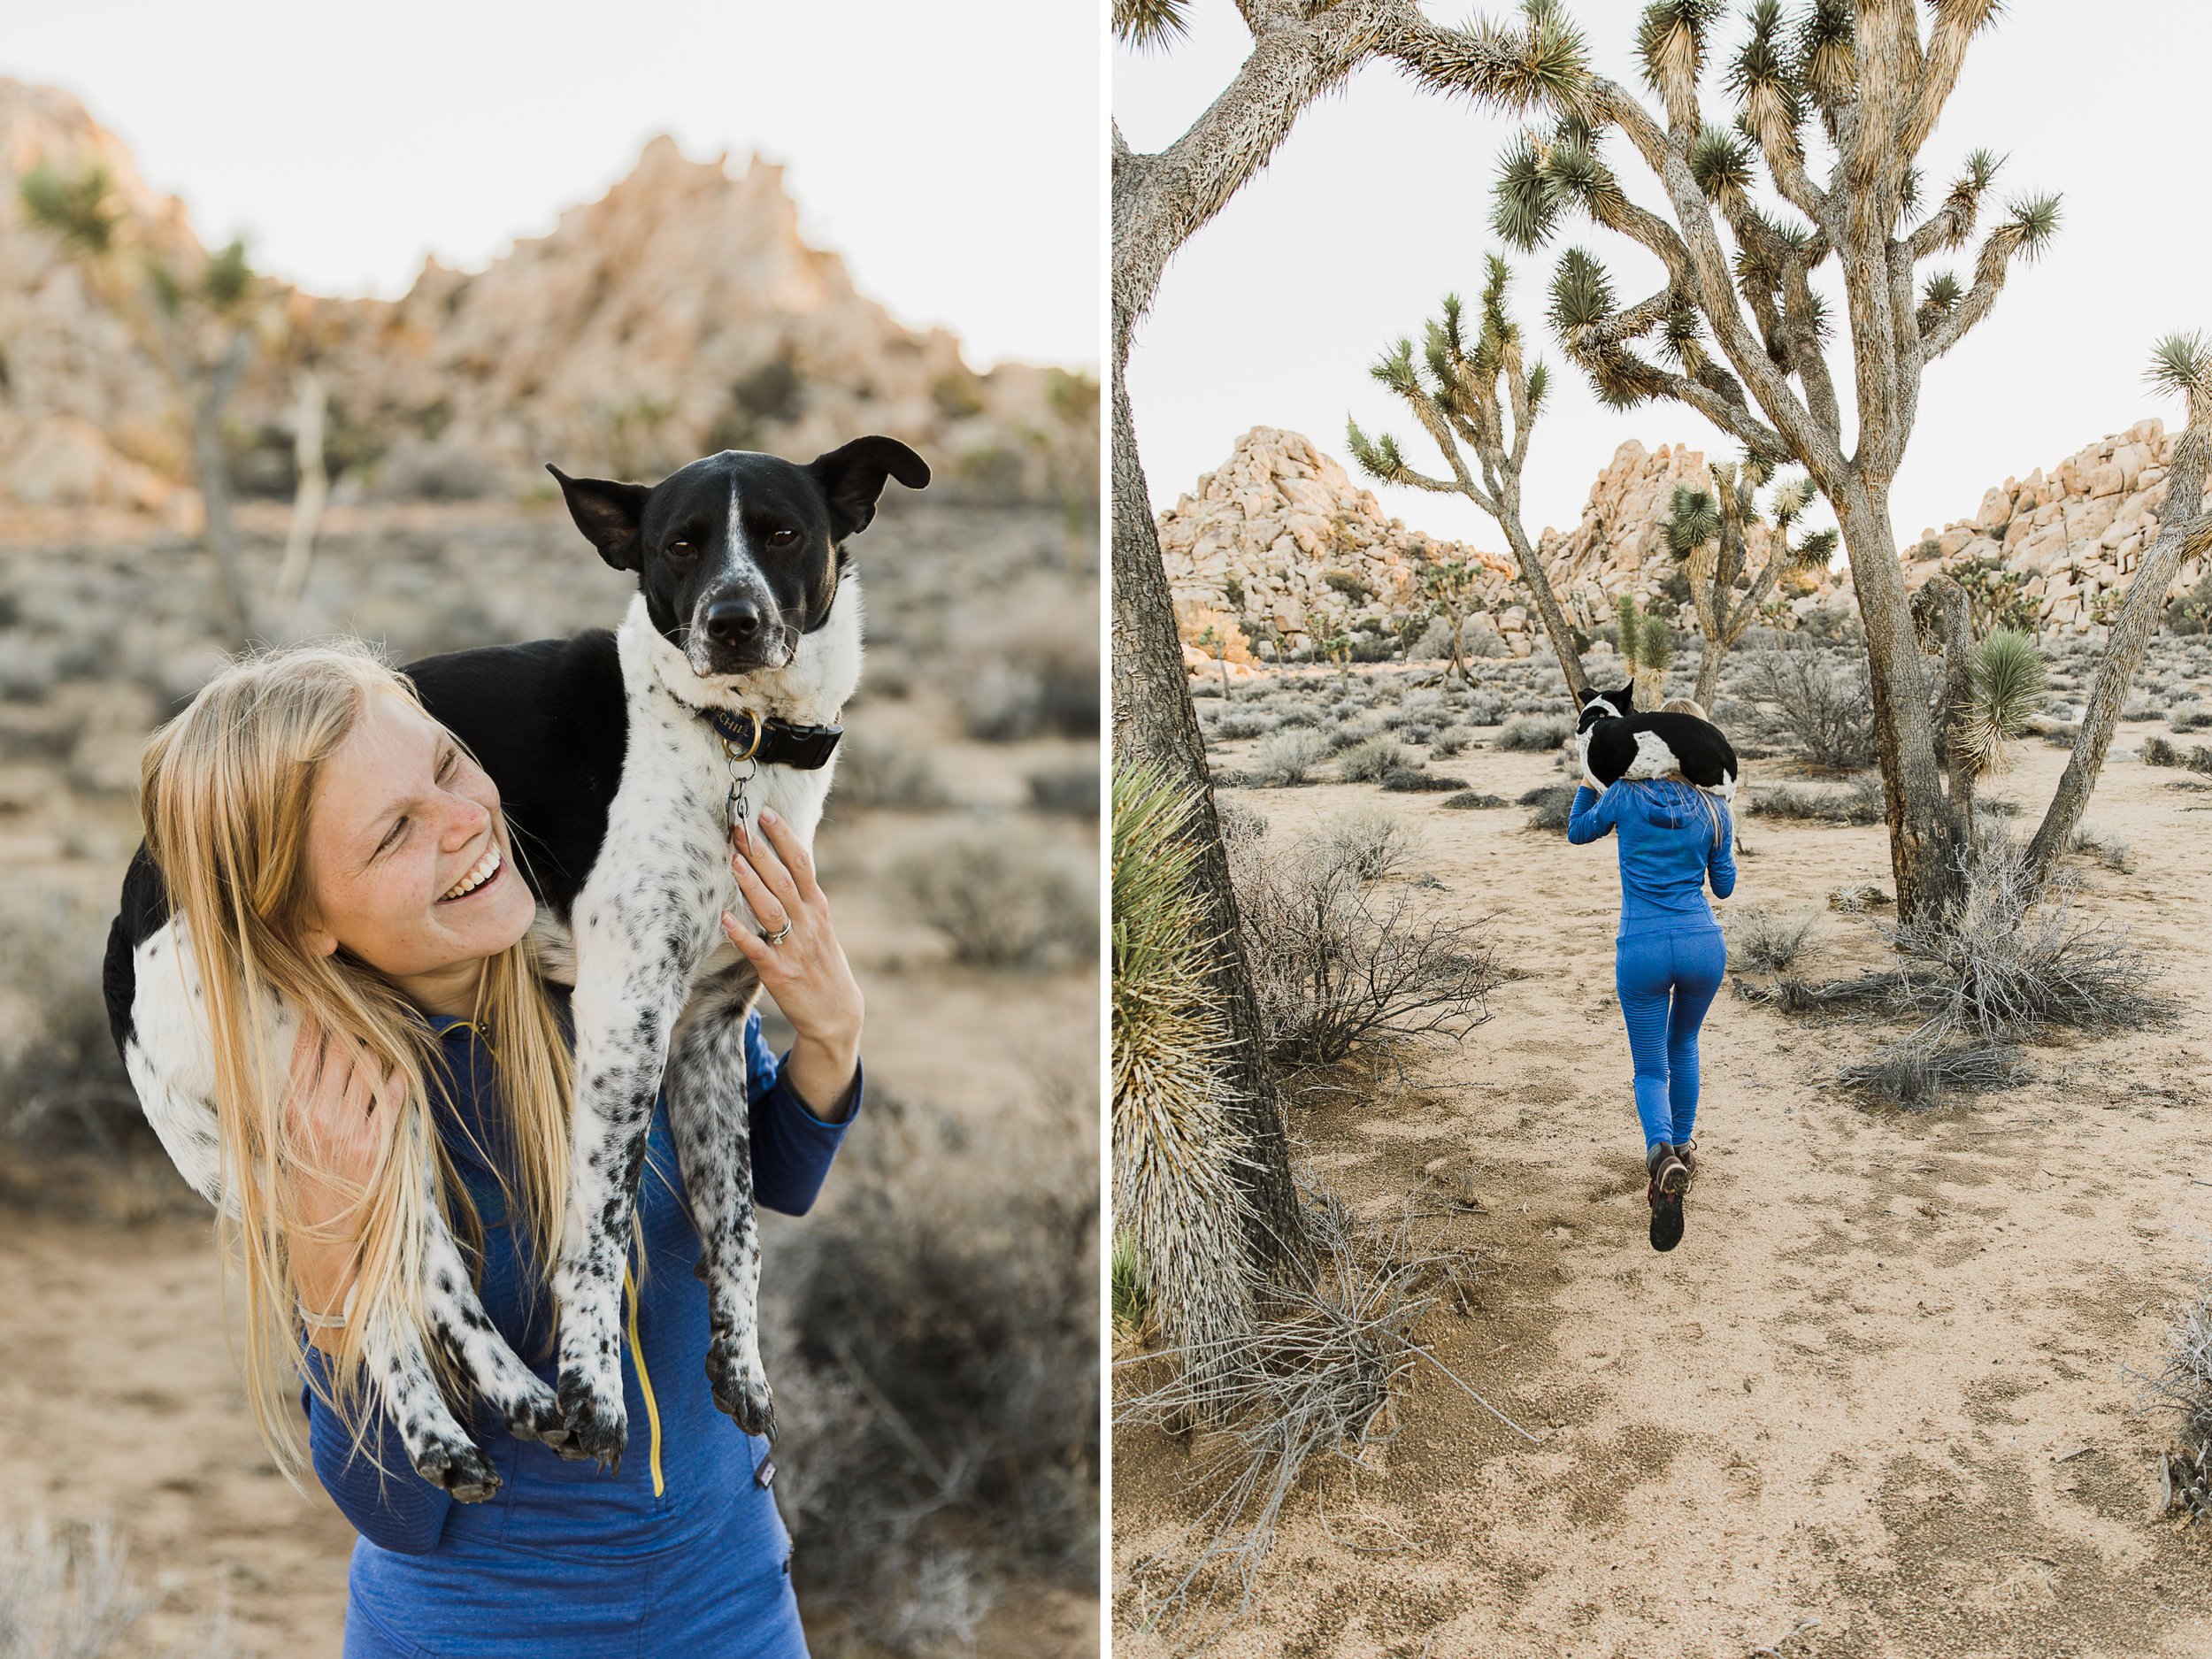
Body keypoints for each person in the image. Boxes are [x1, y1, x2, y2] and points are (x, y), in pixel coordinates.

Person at [137, 640, 864, 1656]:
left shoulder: (618, 957)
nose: (466, 821)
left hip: (735, 1601)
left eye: (444, 765)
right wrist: (330, 1265)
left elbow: (775, 1180)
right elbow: (398, 1514)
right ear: (305, 922)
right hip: (488, 1631)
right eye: (394, 834)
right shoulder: (333, 1113)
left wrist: (828, 1038)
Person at [1566, 695, 1734, 1254]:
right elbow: (1724, 887)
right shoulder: (1715, 810)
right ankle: (1683, 1151)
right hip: (1701, 944)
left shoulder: (1625, 795)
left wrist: (1589, 775)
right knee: (1683, 1046)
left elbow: (1578, 833)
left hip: (1642, 946)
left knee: (1649, 1065)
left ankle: (1660, 1151)